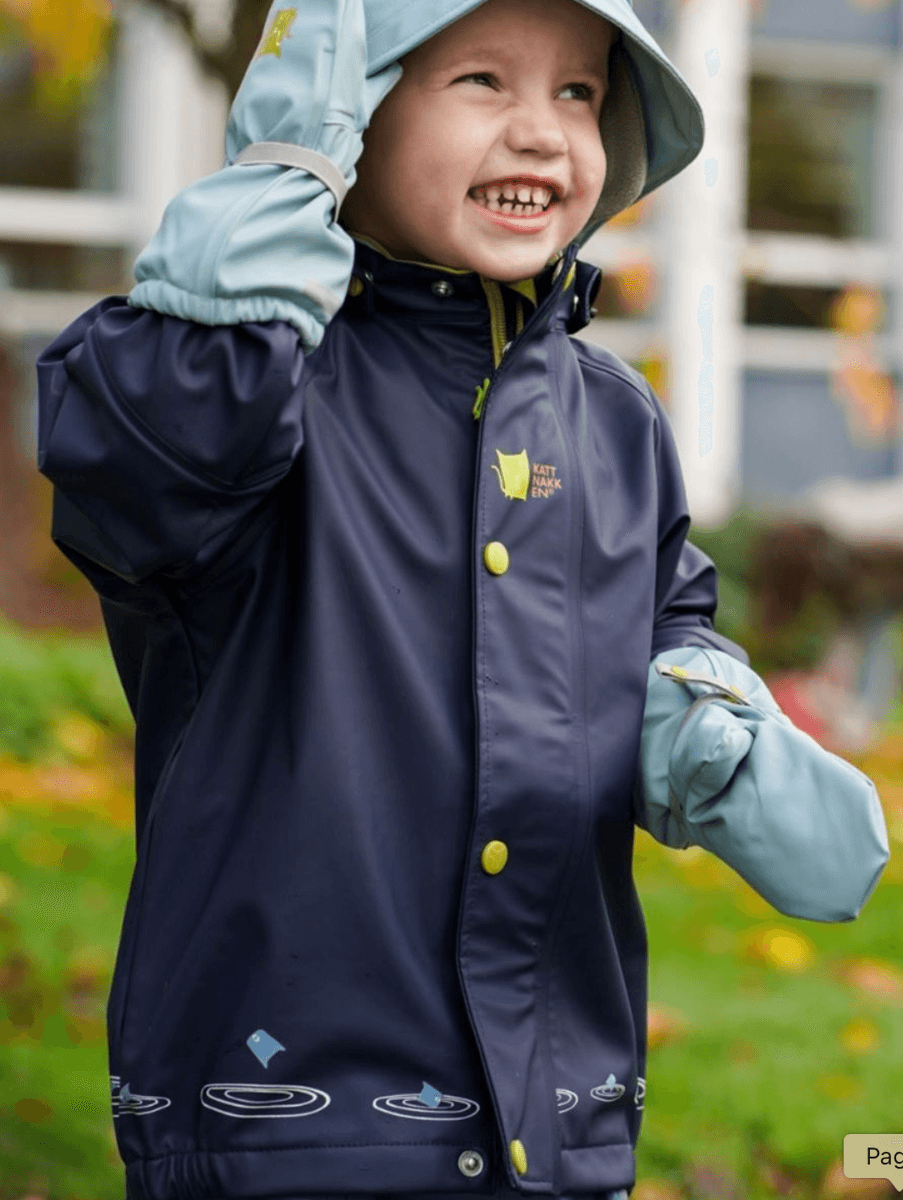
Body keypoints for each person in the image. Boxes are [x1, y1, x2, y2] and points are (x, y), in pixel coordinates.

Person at [35, 1, 888, 1198]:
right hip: (291, 1124)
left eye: (580, 92)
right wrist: (279, 181)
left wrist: (695, 728)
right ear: (352, 109)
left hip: (553, 1130)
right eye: (482, 80)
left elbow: (662, 618)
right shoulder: (252, 380)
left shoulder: (613, 421)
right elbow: (153, 459)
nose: (543, 131)